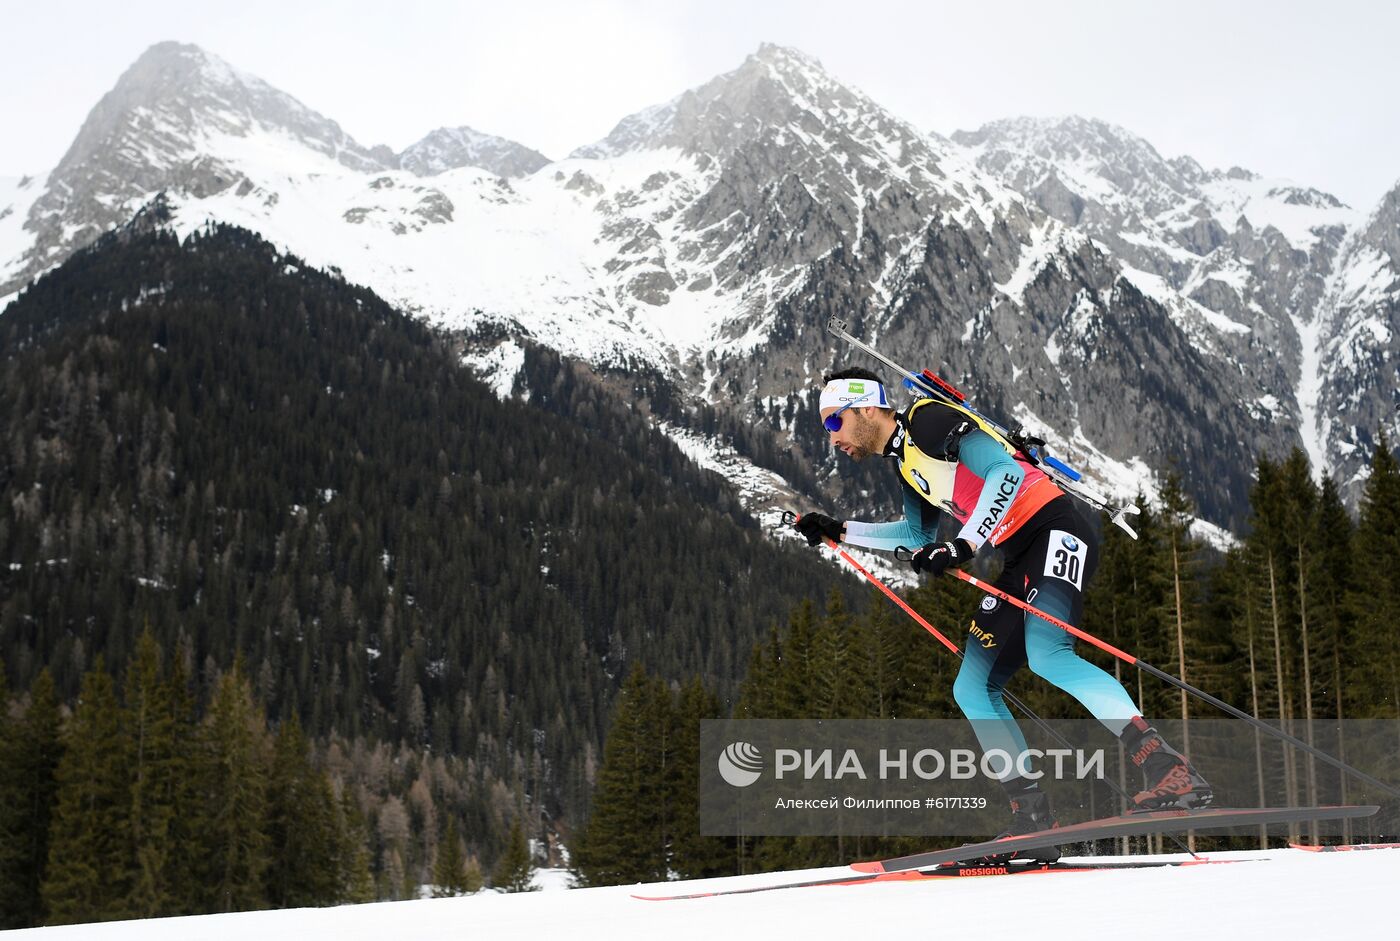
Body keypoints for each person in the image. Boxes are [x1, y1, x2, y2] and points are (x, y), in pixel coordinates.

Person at [795, 367, 1211, 856]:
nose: (833, 438)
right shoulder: (906, 463)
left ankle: (1169, 769)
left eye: (834, 422)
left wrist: (965, 544)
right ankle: (1032, 818)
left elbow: (1006, 472)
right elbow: (915, 536)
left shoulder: (928, 420)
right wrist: (840, 530)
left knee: (1049, 655)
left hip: (1056, 531)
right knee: (972, 687)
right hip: (1018, 556)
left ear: (867, 407)